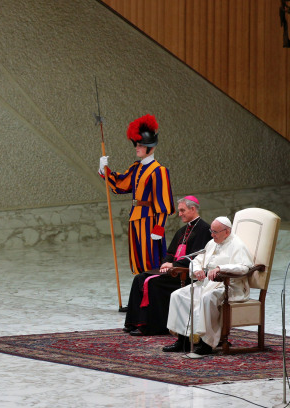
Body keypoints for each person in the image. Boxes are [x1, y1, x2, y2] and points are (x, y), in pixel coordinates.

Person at [163, 216, 253, 355]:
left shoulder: (237, 245)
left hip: (229, 287)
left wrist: (220, 268)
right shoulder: (212, 243)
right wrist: (197, 269)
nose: (212, 235)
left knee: (207, 298)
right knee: (178, 295)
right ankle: (183, 340)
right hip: (207, 284)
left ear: (227, 232)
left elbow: (244, 268)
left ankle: (207, 343)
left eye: (215, 232)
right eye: (211, 231)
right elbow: (198, 259)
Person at [124, 196, 211, 335]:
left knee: (152, 283)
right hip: (173, 269)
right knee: (139, 278)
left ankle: (151, 326)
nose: (180, 214)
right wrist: (166, 262)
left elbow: (197, 257)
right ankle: (134, 322)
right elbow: (170, 252)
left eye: (182, 210)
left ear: (192, 209)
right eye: (179, 211)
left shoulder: (204, 230)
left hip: (185, 273)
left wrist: (174, 265)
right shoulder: (182, 230)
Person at [99, 114, 174, 275]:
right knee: (138, 259)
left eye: (140, 145)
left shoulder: (159, 171)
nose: (137, 148)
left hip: (149, 219)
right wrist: (104, 171)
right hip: (135, 217)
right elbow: (121, 185)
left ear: (151, 147)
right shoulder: (136, 167)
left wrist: (159, 227)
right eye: (136, 144)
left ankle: (152, 292)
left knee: (152, 260)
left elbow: (163, 203)